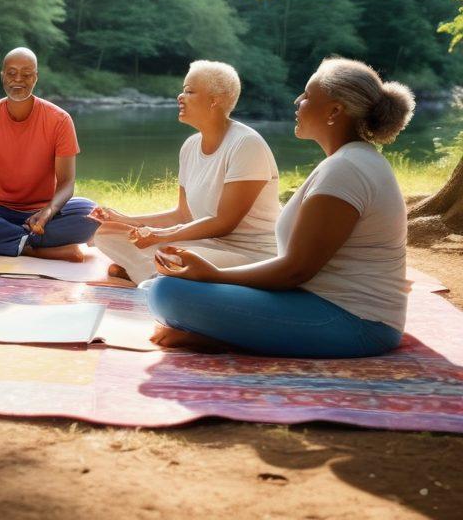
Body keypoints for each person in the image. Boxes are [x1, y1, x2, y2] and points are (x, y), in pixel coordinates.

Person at [148, 57, 415, 358]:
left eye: (307, 96)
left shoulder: (347, 169)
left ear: (335, 111)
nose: (297, 102)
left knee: (167, 292)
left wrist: (213, 276)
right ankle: (227, 335)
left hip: (357, 324)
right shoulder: (349, 161)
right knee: (169, 286)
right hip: (327, 306)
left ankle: (225, 339)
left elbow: (295, 271)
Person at [92, 60, 280, 283]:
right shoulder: (190, 146)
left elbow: (223, 223)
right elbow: (182, 215)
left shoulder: (246, 144)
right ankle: (155, 274)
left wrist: (158, 236)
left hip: (250, 253)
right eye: (183, 90)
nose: (180, 97)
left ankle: (151, 275)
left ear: (214, 100)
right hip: (207, 244)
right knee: (108, 233)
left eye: (189, 91)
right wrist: (127, 219)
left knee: (174, 257)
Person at [0, 47, 97, 261]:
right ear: (2, 75)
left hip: (43, 213)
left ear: (36, 77)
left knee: (90, 213)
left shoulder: (59, 120)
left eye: (26, 74)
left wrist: (49, 211)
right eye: (11, 73)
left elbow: (67, 183)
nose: (18, 80)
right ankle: (35, 249)